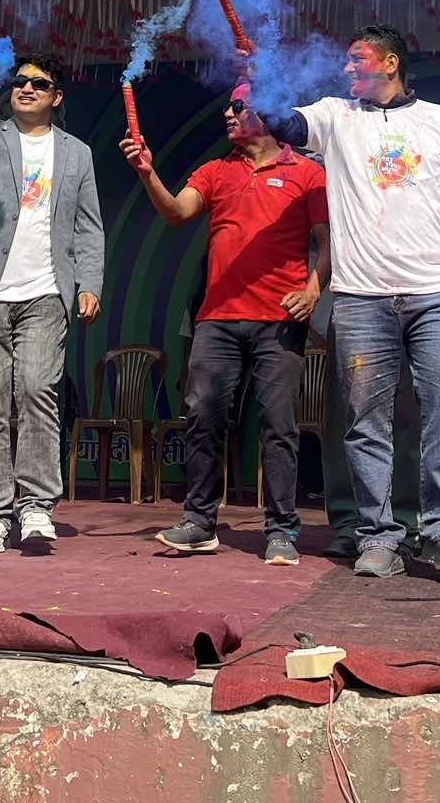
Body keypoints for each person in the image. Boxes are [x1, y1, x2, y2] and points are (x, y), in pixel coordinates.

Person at [265, 24, 440, 579]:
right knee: (365, 420)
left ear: (391, 62)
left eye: (358, 58)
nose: (347, 68)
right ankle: (378, 535)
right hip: (360, 295)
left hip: (436, 290)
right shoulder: (335, 116)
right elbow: (284, 124)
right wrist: (260, 79)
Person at [121, 81, 328, 565]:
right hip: (217, 318)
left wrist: (313, 291)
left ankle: (281, 529)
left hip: (279, 317)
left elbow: (326, 241)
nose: (228, 114)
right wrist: (147, 173)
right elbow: (177, 213)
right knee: (204, 418)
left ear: (268, 110)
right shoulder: (216, 170)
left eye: (238, 106)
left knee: (279, 425)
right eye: (228, 107)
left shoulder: (307, 172)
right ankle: (199, 522)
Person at [0, 53, 105, 555]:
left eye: (39, 83)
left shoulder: (77, 152)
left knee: (37, 392)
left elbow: (88, 225)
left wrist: (89, 284)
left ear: (57, 96)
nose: (26, 88)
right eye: (20, 81)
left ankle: (35, 506)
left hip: (46, 292)